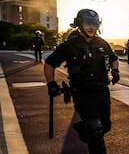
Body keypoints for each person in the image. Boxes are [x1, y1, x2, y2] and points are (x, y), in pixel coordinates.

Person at [44, 9, 120, 154]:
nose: (91, 27)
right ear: (79, 24)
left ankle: (82, 128)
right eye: (87, 23)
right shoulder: (69, 46)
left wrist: (115, 71)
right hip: (83, 93)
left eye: (95, 24)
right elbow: (49, 63)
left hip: (102, 91)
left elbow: (114, 58)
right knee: (96, 128)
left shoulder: (103, 43)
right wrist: (51, 84)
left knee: (105, 126)